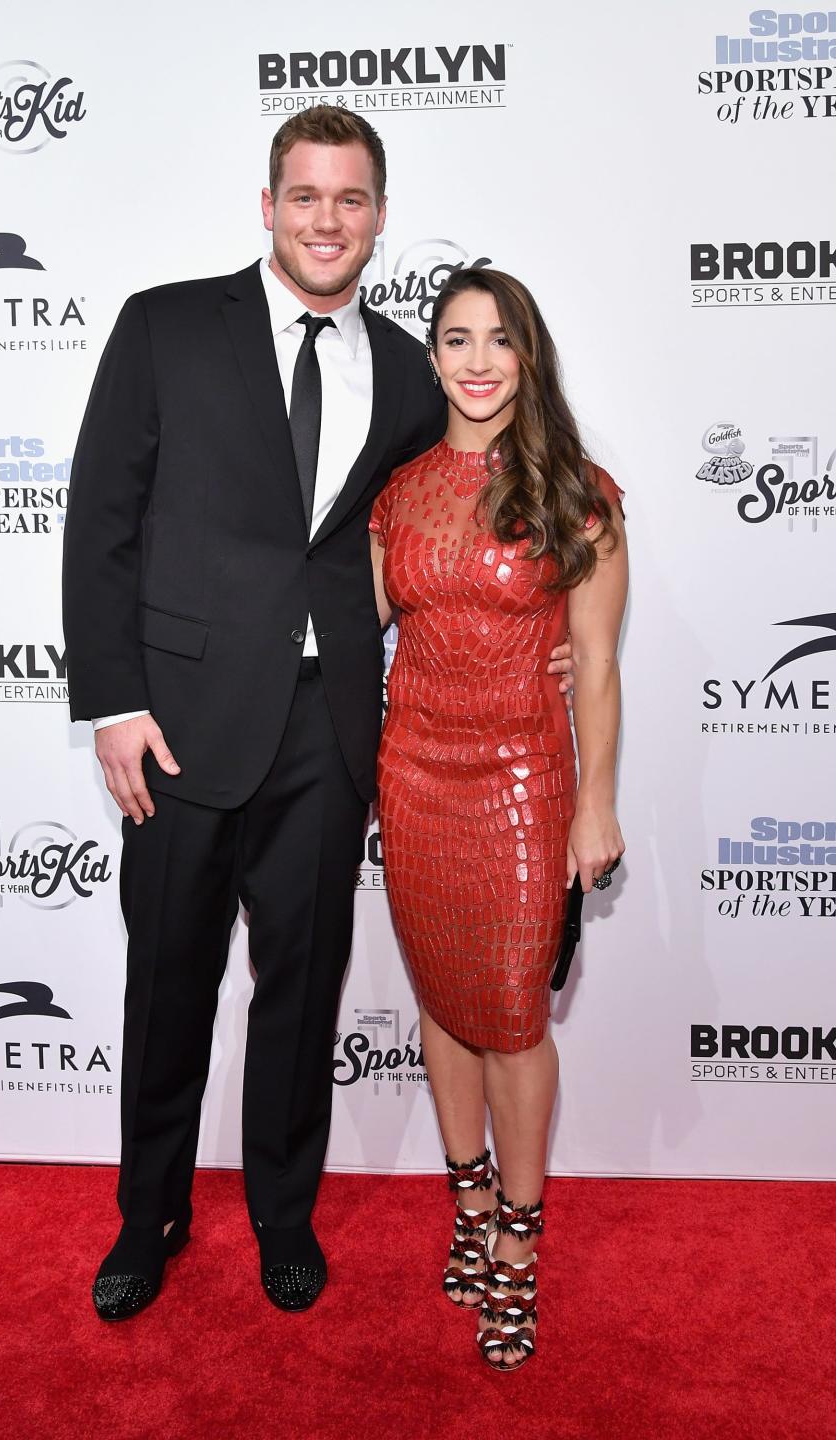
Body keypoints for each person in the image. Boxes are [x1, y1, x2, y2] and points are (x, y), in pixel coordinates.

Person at [62, 107, 574, 1323]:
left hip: (332, 731)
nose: (327, 220)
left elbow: (469, 520)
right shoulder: (166, 324)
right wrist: (113, 701)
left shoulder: (412, 367)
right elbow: (101, 522)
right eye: (305, 197)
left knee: (303, 993)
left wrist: (543, 647)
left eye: (350, 200)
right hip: (176, 725)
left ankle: (285, 1219)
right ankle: (151, 1215)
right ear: (268, 205)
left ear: (380, 215)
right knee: (169, 983)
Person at [370, 267, 627, 1371]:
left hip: (525, 784)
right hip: (415, 774)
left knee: (514, 1015)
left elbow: (600, 670)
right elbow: (353, 619)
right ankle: (468, 1202)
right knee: (444, 996)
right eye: (456, 338)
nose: (478, 361)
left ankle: (519, 1247)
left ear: (530, 358)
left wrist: (596, 808)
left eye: (500, 340)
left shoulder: (582, 495)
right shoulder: (400, 490)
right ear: (431, 357)